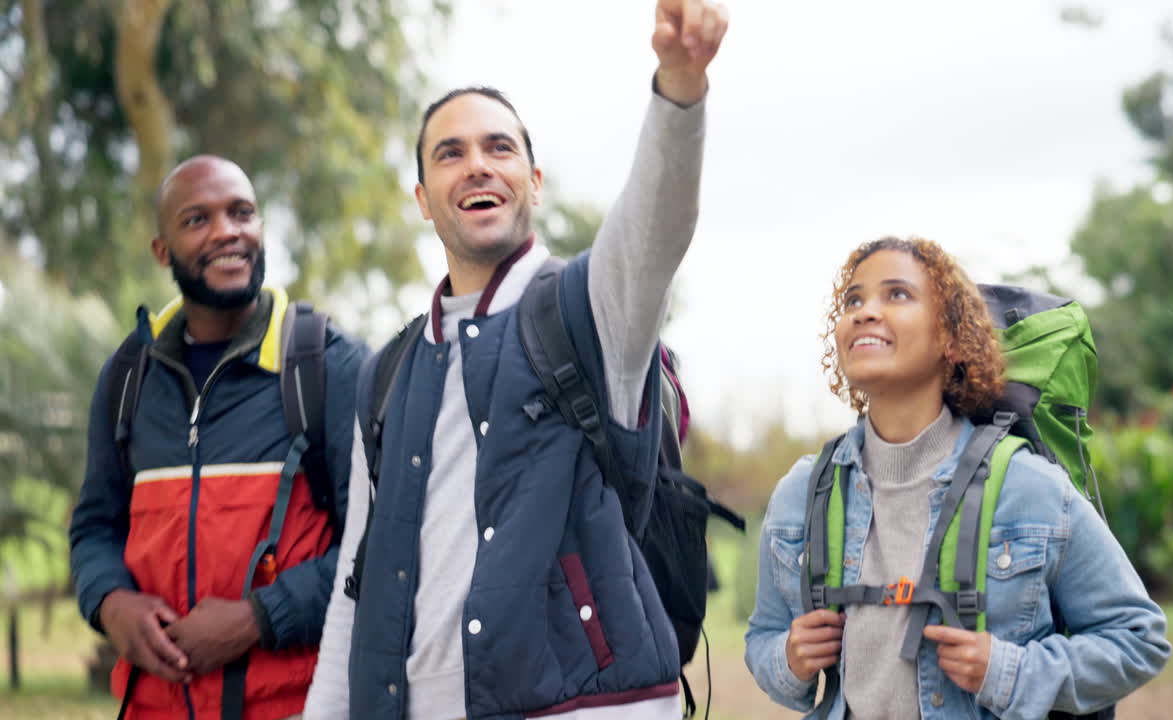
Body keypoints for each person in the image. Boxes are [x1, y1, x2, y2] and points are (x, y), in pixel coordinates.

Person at [302, 2, 728, 718]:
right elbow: (357, 576)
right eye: (451, 153)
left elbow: (654, 229)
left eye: (499, 149)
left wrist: (679, 90)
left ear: (533, 181)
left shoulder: (589, 312)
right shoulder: (388, 372)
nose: (477, 166)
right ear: (422, 200)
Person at [744, 237, 1171, 719]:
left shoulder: (1027, 487)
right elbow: (763, 637)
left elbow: (1138, 638)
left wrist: (1007, 670)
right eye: (854, 300)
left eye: (897, 294)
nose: (865, 312)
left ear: (950, 338)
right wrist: (789, 659)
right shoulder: (802, 493)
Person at [69, 155, 368, 720]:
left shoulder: (330, 367)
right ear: (163, 251)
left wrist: (258, 617)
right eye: (197, 220)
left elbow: (378, 548)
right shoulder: (128, 377)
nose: (227, 231)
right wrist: (111, 603)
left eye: (241, 213)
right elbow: (93, 526)